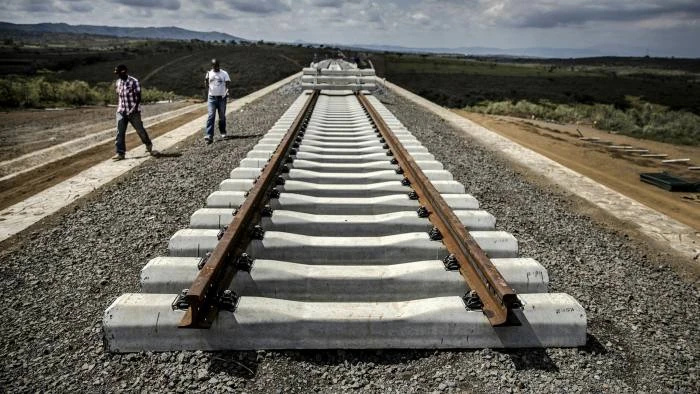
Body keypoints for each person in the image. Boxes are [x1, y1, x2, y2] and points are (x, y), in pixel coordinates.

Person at [112, 64, 155, 161]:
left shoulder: (134, 82)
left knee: (140, 130)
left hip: (133, 112)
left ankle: (148, 144)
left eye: (118, 73)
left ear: (123, 72)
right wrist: (120, 108)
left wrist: (133, 108)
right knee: (120, 132)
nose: (117, 75)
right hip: (121, 111)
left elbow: (139, 97)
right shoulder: (118, 82)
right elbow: (119, 96)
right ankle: (120, 153)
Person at [204, 59, 231, 144]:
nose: (216, 67)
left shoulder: (224, 73)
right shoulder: (209, 73)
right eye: (214, 66)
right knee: (211, 116)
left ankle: (223, 132)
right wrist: (206, 80)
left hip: (222, 98)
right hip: (212, 97)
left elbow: (227, 84)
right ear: (212, 66)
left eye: (217, 66)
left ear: (219, 65)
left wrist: (227, 91)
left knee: (222, 116)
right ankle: (209, 136)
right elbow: (206, 85)